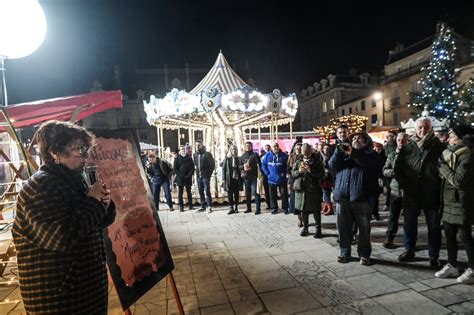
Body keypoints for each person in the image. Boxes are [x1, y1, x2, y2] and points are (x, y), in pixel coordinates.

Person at [12, 120, 116, 314]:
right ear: (54, 152)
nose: (86, 155)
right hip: (59, 298)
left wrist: (105, 205)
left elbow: (91, 223)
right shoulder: (41, 187)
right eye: (79, 149)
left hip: (84, 290)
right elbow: (60, 237)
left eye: (86, 148)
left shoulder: (74, 179)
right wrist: (93, 203)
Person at [394, 117, 446, 268]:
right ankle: (409, 250)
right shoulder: (408, 147)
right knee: (409, 224)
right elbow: (398, 170)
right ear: (415, 129)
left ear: (430, 128)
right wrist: (405, 184)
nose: (422, 130)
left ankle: (434, 255)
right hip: (412, 194)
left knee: (434, 226)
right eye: (420, 128)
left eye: (425, 127)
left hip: (431, 193)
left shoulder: (438, 146)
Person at [329, 131, 381, 265]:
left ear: (366, 142)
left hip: (362, 198)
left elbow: (368, 165)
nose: (356, 140)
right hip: (343, 196)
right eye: (354, 139)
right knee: (343, 227)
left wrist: (353, 153)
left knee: (364, 229)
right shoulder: (344, 156)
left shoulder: (372, 155)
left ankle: (364, 254)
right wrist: (339, 151)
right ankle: (344, 252)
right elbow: (331, 166)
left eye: (359, 138)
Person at [434, 125, 474, 283]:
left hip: (461, 202)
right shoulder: (449, 152)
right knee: (449, 234)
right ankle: (452, 265)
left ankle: (472, 269)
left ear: (461, 137)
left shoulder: (468, 155)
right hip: (448, 201)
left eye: (452, 133)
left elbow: (459, 180)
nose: (448, 135)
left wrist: (442, 167)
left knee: (465, 236)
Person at [292, 143, 325, 238]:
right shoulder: (298, 161)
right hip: (301, 189)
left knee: (316, 210)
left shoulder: (317, 161)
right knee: (304, 210)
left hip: (314, 189)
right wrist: (299, 171)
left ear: (310, 151)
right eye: (304, 153)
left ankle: (318, 229)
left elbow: (321, 175)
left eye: (307, 153)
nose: (305, 155)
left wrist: (310, 171)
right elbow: (293, 173)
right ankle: (305, 228)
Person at [382, 132, 408, 249]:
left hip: (409, 191)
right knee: (393, 217)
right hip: (395, 191)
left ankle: (409, 244)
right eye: (399, 140)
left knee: (409, 219)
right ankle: (389, 238)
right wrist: (394, 172)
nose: (401, 142)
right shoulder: (392, 155)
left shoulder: (413, 155)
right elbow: (385, 170)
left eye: (404, 140)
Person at [262, 142, 289, 214]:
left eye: (276, 146)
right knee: (272, 195)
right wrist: (267, 174)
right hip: (271, 179)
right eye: (274, 147)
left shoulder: (284, 155)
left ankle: (285, 208)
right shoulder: (267, 155)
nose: (275, 148)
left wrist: (285, 173)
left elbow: (287, 165)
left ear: (278, 147)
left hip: (281, 179)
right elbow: (263, 165)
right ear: (272, 148)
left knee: (284, 194)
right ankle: (274, 208)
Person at [193, 140, 216, 213]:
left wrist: (208, 173)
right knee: (200, 191)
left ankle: (209, 206)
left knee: (207, 190)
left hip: (205, 176)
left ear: (202, 145)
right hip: (198, 176)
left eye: (198, 145)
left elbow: (212, 164)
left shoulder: (207, 154)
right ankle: (202, 205)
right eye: (196, 145)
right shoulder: (195, 154)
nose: (197, 146)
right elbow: (196, 164)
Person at [241, 142, 261, 214]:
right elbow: (240, 165)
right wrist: (243, 167)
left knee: (256, 192)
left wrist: (251, 168)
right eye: (246, 146)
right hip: (246, 177)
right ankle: (248, 208)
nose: (248, 147)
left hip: (253, 176)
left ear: (251, 147)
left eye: (249, 146)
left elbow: (259, 164)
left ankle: (258, 208)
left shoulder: (255, 155)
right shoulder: (243, 156)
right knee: (247, 193)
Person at [222, 145, 243, 214]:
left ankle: (236, 206)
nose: (233, 150)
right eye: (232, 149)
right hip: (229, 178)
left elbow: (241, 167)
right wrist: (223, 179)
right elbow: (224, 169)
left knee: (236, 193)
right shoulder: (227, 158)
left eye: (234, 149)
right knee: (229, 193)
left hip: (236, 178)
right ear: (230, 150)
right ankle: (231, 207)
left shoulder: (239, 158)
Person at [174, 145, 195, 211]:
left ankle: (191, 205)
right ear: (179, 151)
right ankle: (181, 207)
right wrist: (181, 176)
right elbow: (175, 169)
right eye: (181, 149)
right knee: (180, 193)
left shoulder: (189, 158)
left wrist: (189, 175)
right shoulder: (177, 159)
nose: (183, 150)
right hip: (180, 178)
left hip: (188, 178)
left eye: (183, 149)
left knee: (189, 192)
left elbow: (192, 168)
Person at [288, 142, 303, 224]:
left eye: (300, 148)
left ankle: (304, 217)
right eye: (297, 148)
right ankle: (299, 218)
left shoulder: (305, 156)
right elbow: (288, 169)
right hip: (294, 180)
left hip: (303, 179)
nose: (298, 150)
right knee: (296, 201)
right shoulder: (291, 157)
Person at [382, 130, 397, 212]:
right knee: (388, 188)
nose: (388, 138)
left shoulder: (397, 145)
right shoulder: (385, 146)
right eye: (387, 136)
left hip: (395, 168)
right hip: (387, 170)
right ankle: (388, 204)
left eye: (390, 136)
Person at [320, 143, 334, 215]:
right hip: (324, 178)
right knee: (325, 193)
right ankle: (327, 207)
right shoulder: (320, 156)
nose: (326, 150)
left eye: (327, 148)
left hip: (331, 177)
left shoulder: (332, 156)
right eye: (325, 148)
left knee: (331, 193)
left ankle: (329, 208)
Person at [260, 144, 272, 210]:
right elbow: (260, 165)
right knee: (266, 190)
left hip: (271, 174)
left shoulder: (272, 154)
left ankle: (273, 203)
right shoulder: (262, 155)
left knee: (272, 190)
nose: (267, 149)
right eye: (266, 148)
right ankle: (268, 204)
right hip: (265, 175)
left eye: (268, 148)